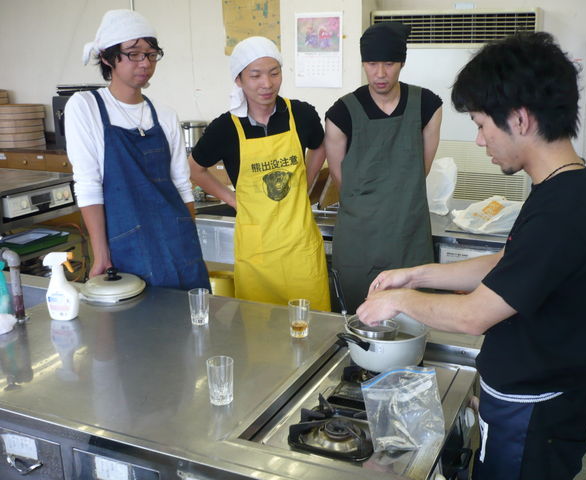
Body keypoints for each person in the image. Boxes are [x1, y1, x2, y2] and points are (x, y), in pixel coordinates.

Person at [356, 32, 586, 480]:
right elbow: (512, 266)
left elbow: (474, 315)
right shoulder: (566, 186)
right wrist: (417, 275)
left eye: (480, 124)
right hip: (530, 403)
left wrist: (397, 301)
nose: (478, 140)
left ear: (519, 118)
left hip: (535, 413)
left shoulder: (562, 209)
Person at [65, 9, 210, 291]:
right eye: (133, 54)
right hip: (127, 244)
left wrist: (190, 243)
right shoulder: (86, 107)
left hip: (178, 240)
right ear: (107, 57)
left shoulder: (164, 115)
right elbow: (88, 184)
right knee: (139, 316)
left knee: (192, 313)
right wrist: (101, 253)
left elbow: (182, 185)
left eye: (151, 54)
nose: (145, 63)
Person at [189, 37, 330, 310]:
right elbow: (195, 169)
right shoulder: (226, 128)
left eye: (274, 73)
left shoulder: (300, 114)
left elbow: (320, 145)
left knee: (311, 324)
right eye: (255, 75)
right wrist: (232, 200)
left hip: (300, 248)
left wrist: (306, 181)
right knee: (260, 328)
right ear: (239, 79)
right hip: (257, 254)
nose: (267, 83)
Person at [324, 22, 443, 314]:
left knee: (412, 319)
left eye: (389, 64)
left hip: (409, 236)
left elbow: (420, 170)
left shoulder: (427, 106)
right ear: (363, 64)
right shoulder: (341, 114)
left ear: (402, 63)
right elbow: (341, 181)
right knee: (359, 318)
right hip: (359, 242)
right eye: (372, 64)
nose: (380, 73)